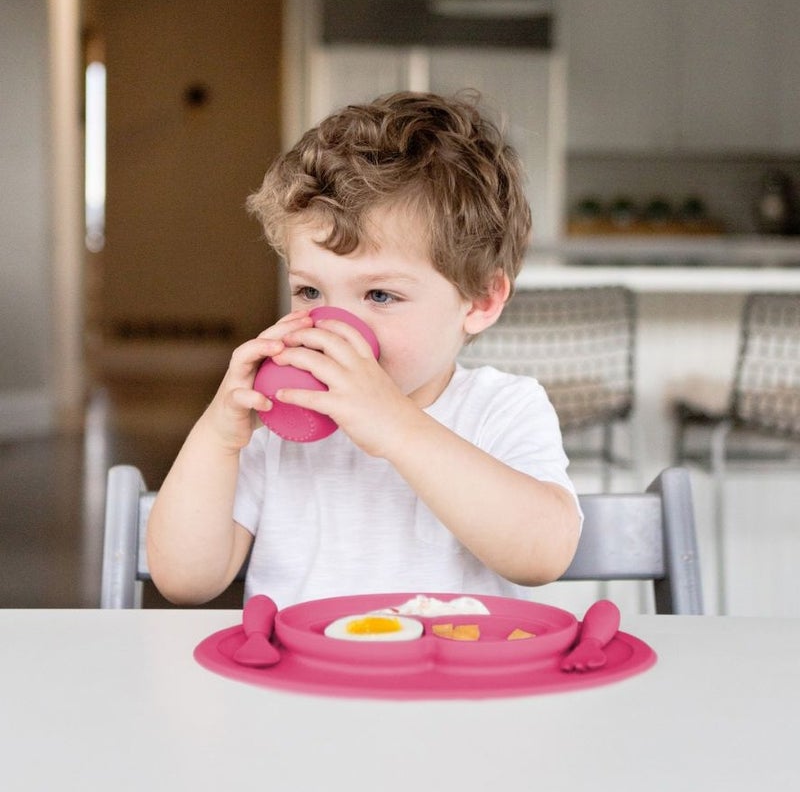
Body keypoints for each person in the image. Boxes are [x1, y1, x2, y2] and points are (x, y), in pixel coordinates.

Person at [146, 90, 582, 608]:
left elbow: (542, 555)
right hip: (301, 684)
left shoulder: (502, 408)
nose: (338, 327)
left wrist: (394, 425)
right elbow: (183, 580)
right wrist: (220, 435)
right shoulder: (278, 429)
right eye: (311, 292)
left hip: (452, 684)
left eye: (380, 295)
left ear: (480, 300)